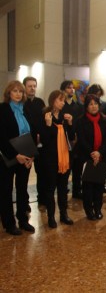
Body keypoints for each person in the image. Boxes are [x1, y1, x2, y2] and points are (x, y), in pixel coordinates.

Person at [0, 80, 36, 235]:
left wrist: (31, 155)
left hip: (25, 156)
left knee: (22, 189)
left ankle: (23, 220)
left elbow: (31, 133)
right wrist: (15, 155)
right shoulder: (3, 109)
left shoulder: (25, 109)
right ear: (9, 93)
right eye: (14, 91)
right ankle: (9, 223)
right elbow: (1, 137)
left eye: (20, 91)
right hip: (8, 157)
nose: (18, 94)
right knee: (6, 190)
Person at [39, 90, 75, 228]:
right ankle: (51, 217)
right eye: (60, 100)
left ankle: (64, 214)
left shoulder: (64, 118)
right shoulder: (45, 117)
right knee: (50, 189)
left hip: (64, 158)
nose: (63, 103)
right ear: (53, 100)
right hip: (50, 159)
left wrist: (70, 123)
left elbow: (71, 138)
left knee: (63, 188)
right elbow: (44, 141)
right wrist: (48, 126)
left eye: (63, 100)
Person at [75, 94, 106, 220]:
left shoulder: (104, 119)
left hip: (101, 157)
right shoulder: (80, 120)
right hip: (86, 157)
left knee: (99, 185)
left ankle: (98, 209)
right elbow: (82, 140)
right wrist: (92, 153)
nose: (94, 106)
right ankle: (89, 210)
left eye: (96, 103)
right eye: (91, 104)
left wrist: (99, 152)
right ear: (86, 106)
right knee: (88, 186)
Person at [86, 83, 106, 195]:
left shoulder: (105, 105)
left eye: (99, 95)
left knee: (102, 166)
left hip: (101, 140)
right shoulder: (86, 105)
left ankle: (102, 186)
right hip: (90, 143)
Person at [23, 76, 46, 206]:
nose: (32, 88)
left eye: (34, 86)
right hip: (26, 142)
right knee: (24, 174)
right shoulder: (21, 103)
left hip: (39, 142)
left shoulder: (40, 102)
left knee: (41, 171)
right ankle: (24, 202)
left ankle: (42, 198)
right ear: (24, 87)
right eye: (29, 86)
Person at [61, 80, 84, 199]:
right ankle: (63, 189)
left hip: (77, 142)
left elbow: (81, 124)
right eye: (68, 88)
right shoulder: (61, 106)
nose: (71, 90)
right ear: (63, 91)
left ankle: (77, 190)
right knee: (66, 168)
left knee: (78, 168)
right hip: (64, 141)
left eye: (72, 88)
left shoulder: (79, 107)